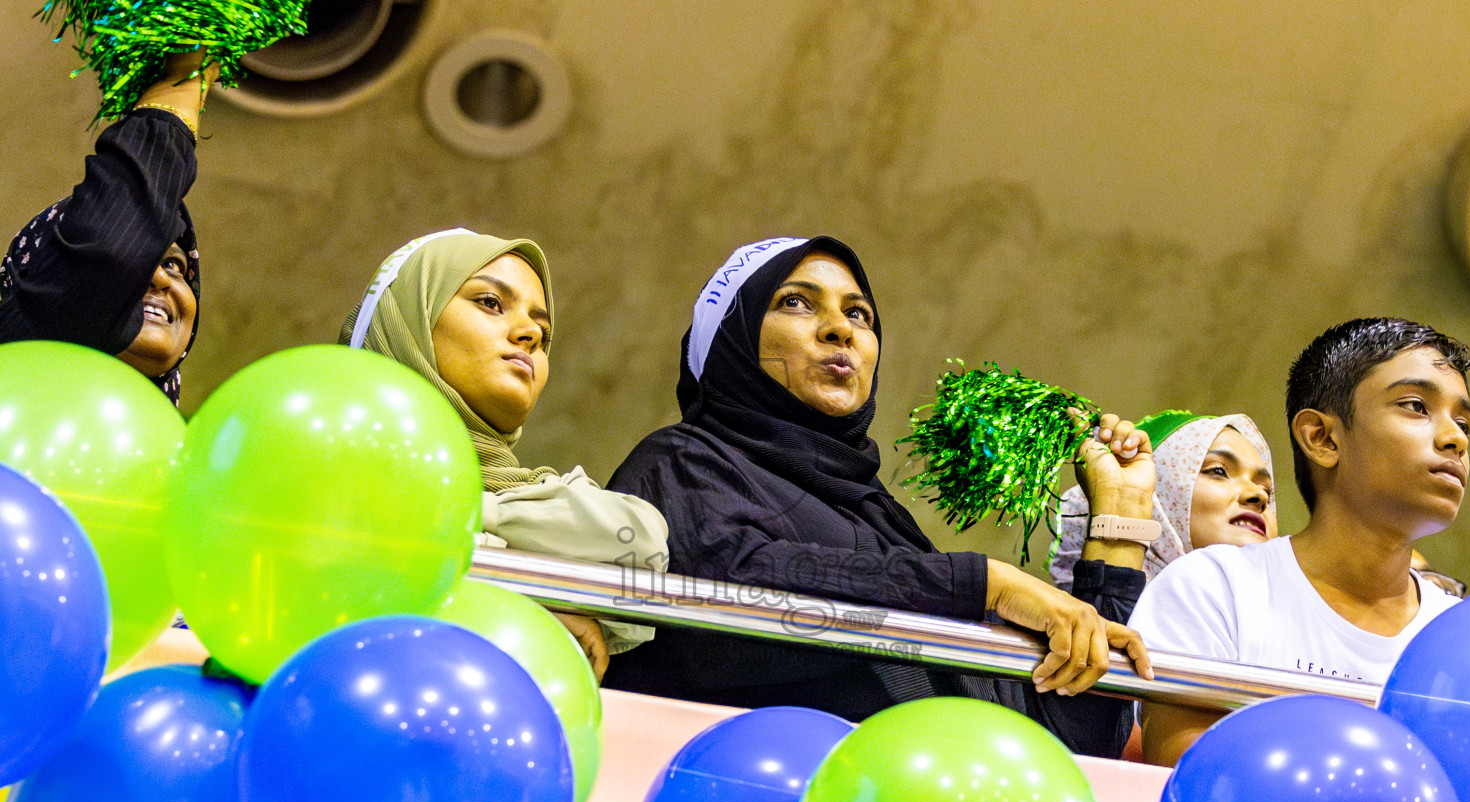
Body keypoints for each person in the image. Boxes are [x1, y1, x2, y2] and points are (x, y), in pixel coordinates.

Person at [604, 235, 1151, 754]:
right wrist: (983, 583)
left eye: (858, 314)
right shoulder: (681, 460)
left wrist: (1120, 518)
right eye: (796, 302)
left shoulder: (882, 521)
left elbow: (1072, 739)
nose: (839, 329)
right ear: (734, 338)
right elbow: (726, 593)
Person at [1128, 318, 1470, 760]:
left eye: (1464, 422)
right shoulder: (1212, 590)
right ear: (1322, 437)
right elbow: (1195, 793)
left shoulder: (1461, 635)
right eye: (1416, 406)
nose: (1455, 438)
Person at [341, 229, 669, 678]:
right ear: (407, 319)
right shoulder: (315, 448)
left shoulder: (524, 491)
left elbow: (637, 546)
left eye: (544, 329)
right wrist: (521, 596)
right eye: (490, 303)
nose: (530, 332)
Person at [1049, 410, 1279, 763]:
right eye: (1219, 471)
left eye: (1266, 489)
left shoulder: (1293, 633)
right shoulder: (1067, 638)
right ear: (1160, 494)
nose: (1257, 496)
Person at [0, 50, 217, 405]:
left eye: (175, 265)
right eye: (146, 257)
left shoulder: (182, 451)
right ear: (37, 277)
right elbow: (108, 254)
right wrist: (183, 80)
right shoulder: (18, 341)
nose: (160, 278)